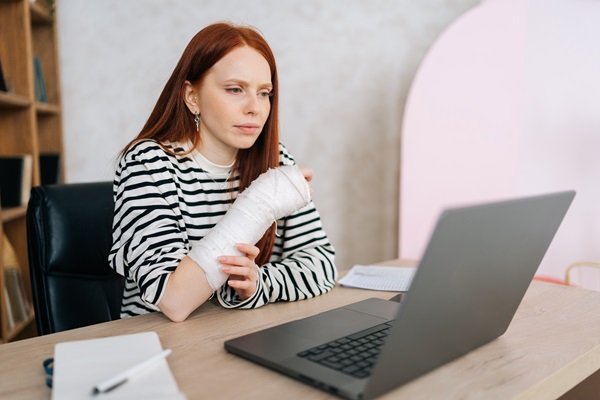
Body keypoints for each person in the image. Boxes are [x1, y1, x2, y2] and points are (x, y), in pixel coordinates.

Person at [108, 22, 337, 322]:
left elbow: (321, 263)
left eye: (264, 92)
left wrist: (259, 284)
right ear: (192, 96)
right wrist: (260, 204)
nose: (255, 108)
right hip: (158, 346)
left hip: (236, 337)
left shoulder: (275, 160)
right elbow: (174, 300)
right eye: (235, 89)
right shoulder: (148, 164)